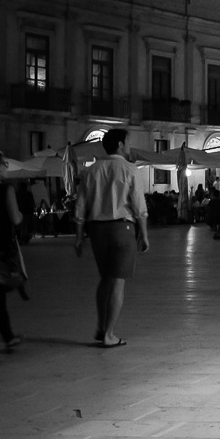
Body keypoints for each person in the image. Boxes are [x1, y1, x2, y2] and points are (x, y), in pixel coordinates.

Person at [73, 129, 149, 348]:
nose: (130, 147)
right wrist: (143, 233)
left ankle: (100, 326)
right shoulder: (130, 169)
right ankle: (109, 334)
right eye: (128, 142)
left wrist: (79, 236)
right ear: (119, 144)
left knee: (105, 278)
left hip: (97, 230)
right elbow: (139, 207)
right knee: (118, 281)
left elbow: (80, 206)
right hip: (122, 229)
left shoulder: (91, 171)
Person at [0, 152, 28, 351]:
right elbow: (15, 218)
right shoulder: (6, 189)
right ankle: (8, 336)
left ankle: (8, 335)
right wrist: (21, 214)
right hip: (1, 246)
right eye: (4, 164)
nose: (6, 168)